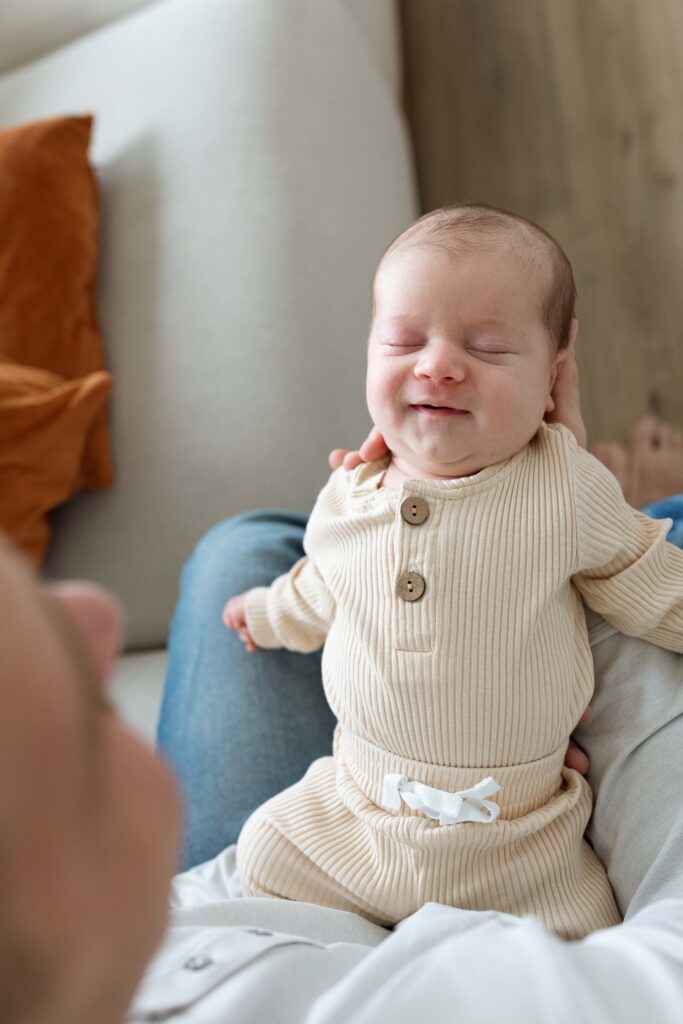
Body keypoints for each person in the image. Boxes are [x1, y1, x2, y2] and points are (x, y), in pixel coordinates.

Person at [221, 203, 683, 939]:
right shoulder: (348, 494)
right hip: (357, 818)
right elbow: (321, 585)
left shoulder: (564, 488)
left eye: (490, 348)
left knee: (589, 950)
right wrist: (265, 613)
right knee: (264, 850)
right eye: (402, 341)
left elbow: (647, 578)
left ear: (552, 379)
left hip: (520, 847)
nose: (436, 365)